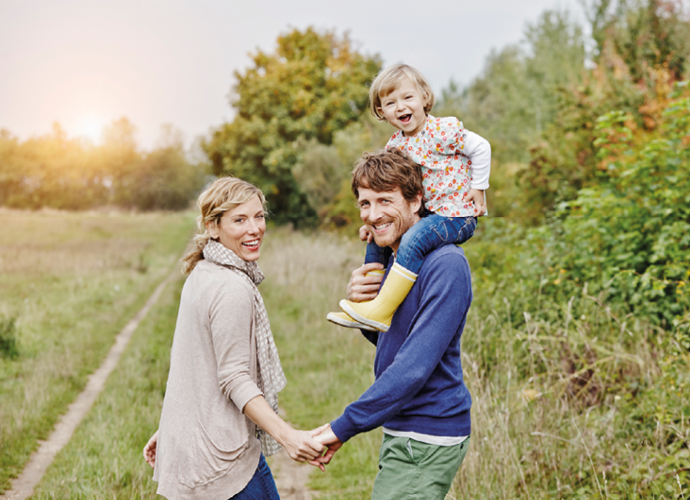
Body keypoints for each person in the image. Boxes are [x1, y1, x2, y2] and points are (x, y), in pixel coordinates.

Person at [142, 177, 330, 499]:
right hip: (224, 461)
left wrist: (174, 427)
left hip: (195, 449)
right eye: (239, 220)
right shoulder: (232, 287)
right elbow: (233, 378)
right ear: (213, 227)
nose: (254, 229)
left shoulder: (202, 272)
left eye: (259, 216)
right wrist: (288, 437)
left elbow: (196, 363)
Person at [316, 149, 473, 499]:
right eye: (365, 204)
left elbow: (414, 367)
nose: (372, 215)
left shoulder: (445, 264)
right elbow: (395, 342)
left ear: (416, 200)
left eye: (385, 200)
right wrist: (363, 310)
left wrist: (344, 426)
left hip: (428, 433)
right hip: (404, 427)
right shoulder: (395, 261)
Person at [327, 63, 490, 333]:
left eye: (407, 98)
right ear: (381, 112)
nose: (400, 106)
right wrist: (376, 219)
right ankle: (369, 301)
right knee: (375, 240)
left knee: (414, 239)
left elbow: (481, 147)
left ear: (424, 98)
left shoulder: (443, 130)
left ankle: (381, 309)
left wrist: (478, 186)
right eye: (390, 102)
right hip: (428, 214)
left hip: (455, 215)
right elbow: (388, 191)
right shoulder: (395, 146)